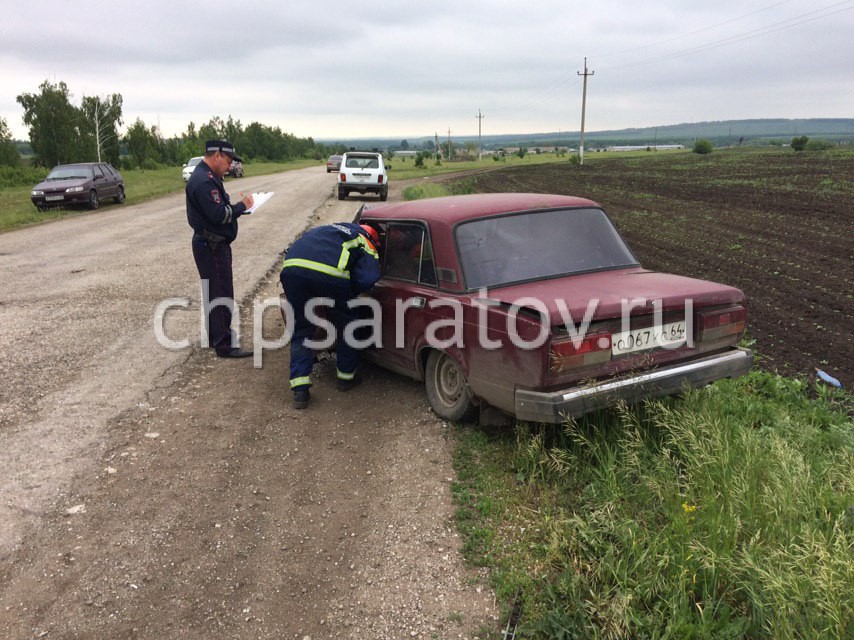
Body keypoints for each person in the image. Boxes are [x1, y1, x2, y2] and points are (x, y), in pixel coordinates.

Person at [280, 223, 382, 409]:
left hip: (291, 269)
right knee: (348, 325)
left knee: (301, 328)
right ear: (372, 238)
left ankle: (300, 390)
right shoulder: (364, 240)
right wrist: (351, 292)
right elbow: (368, 278)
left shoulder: (328, 229)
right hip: (330, 276)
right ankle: (346, 378)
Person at [186, 140, 255, 358]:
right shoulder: (204, 182)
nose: (230, 166)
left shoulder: (207, 176)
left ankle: (215, 337)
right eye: (228, 161)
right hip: (212, 245)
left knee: (212, 292)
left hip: (209, 243)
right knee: (221, 292)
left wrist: (234, 209)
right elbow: (219, 215)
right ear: (216, 156)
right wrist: (242, 206)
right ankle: (224, 345)